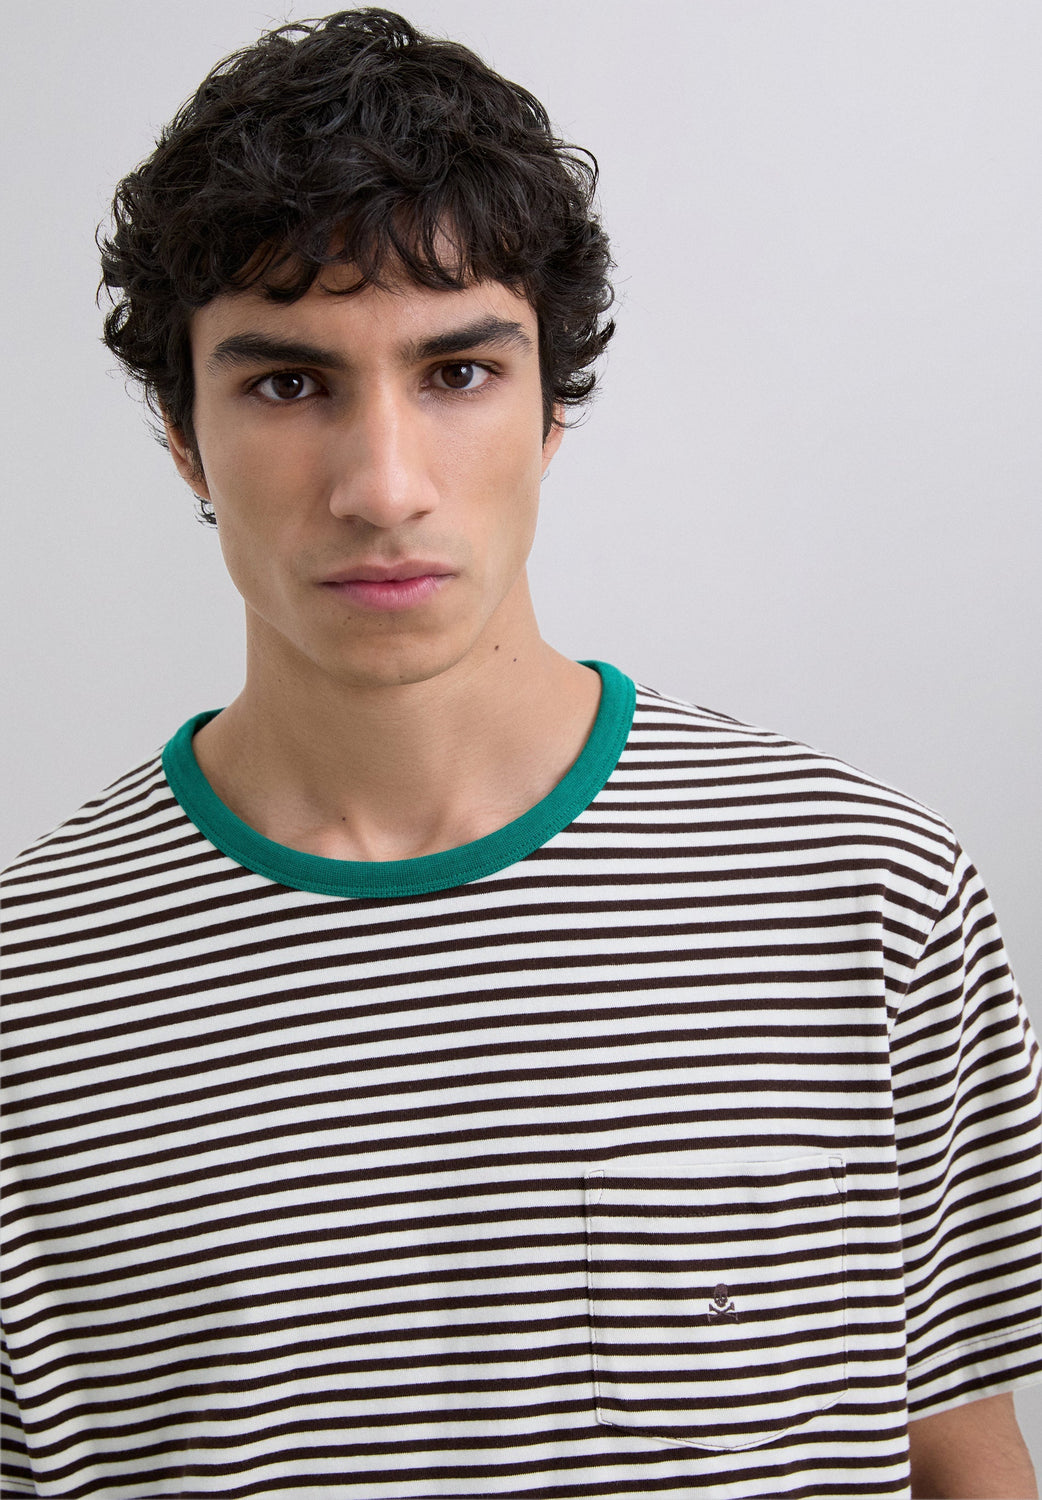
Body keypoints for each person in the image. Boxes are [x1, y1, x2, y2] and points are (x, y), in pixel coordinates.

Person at [1, 9, 1039, 1497]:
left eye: (456, 373)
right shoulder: (28, 994)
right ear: (183, 434)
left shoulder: (864, 896)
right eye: (287, 383)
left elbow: (963, 1455)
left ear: (553, 406)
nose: (383, 486)